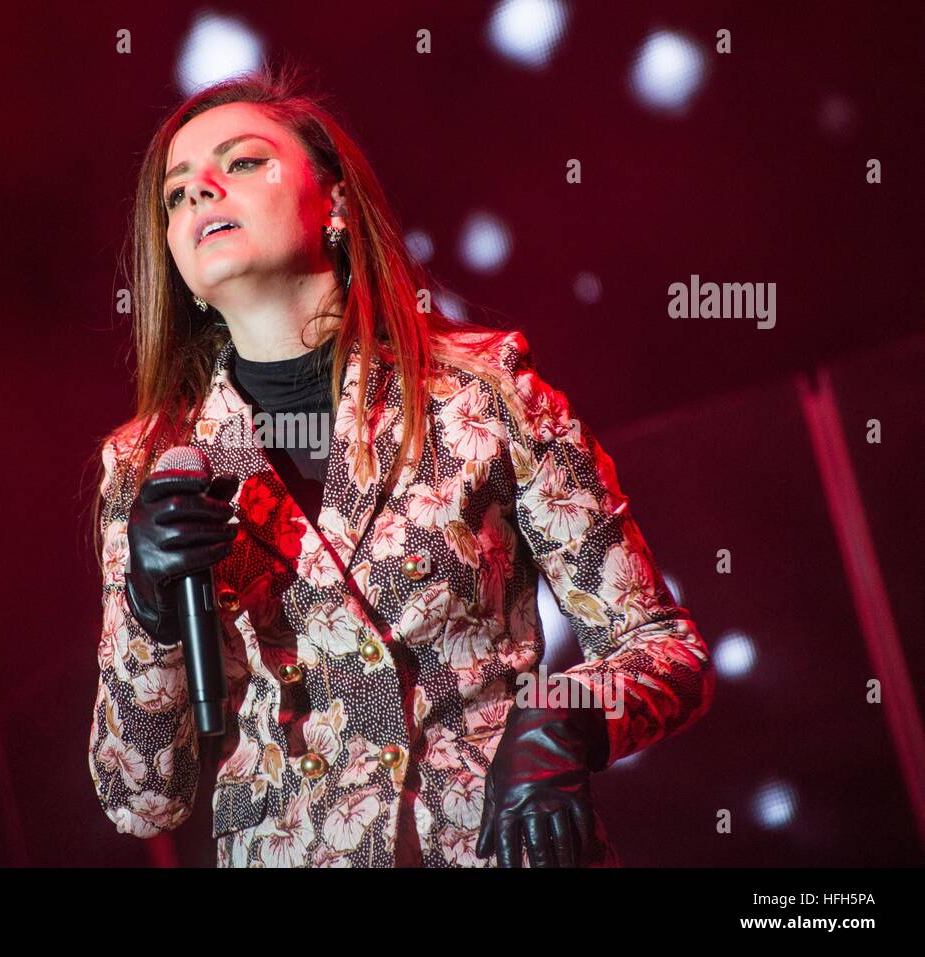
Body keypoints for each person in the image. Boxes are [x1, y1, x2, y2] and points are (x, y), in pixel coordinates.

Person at [86, 63, 715, 868]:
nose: (202, 191)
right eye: (177, 194)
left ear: (336, 203)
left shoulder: (481, 390)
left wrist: (564, 715)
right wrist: (148, 606)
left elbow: (662, 647)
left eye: (241, 162)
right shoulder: (150, 464)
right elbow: (140, 799)